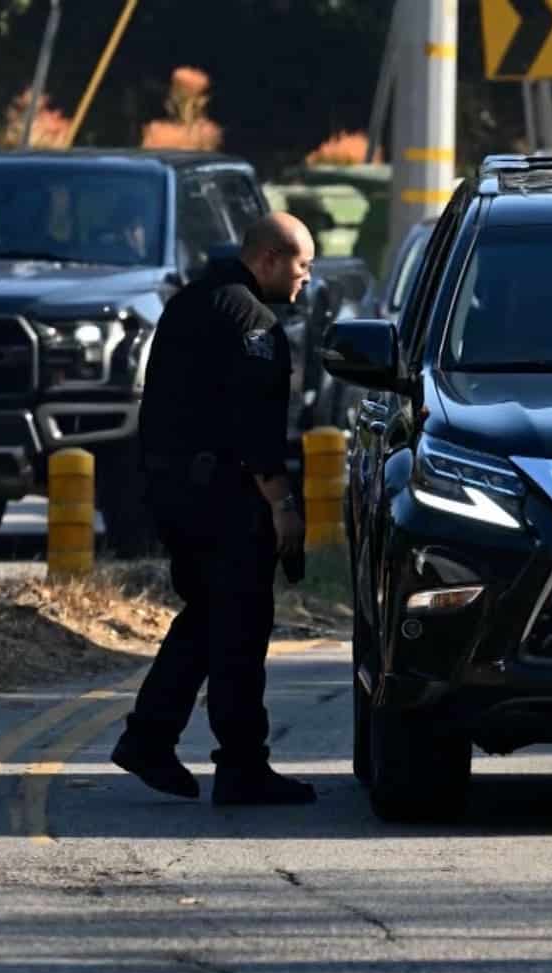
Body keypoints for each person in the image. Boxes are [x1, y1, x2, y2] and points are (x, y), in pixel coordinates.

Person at [110, 213, 318, 806]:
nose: (307, 278)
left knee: (209, 617)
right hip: (227, 498)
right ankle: (241, 765)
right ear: (270, 259)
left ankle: (150, 738)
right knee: (242, 627)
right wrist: (282, 504)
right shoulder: (253, 322)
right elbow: (254, 426)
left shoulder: (189, 303)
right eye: (302, 265)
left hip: (176, 494)